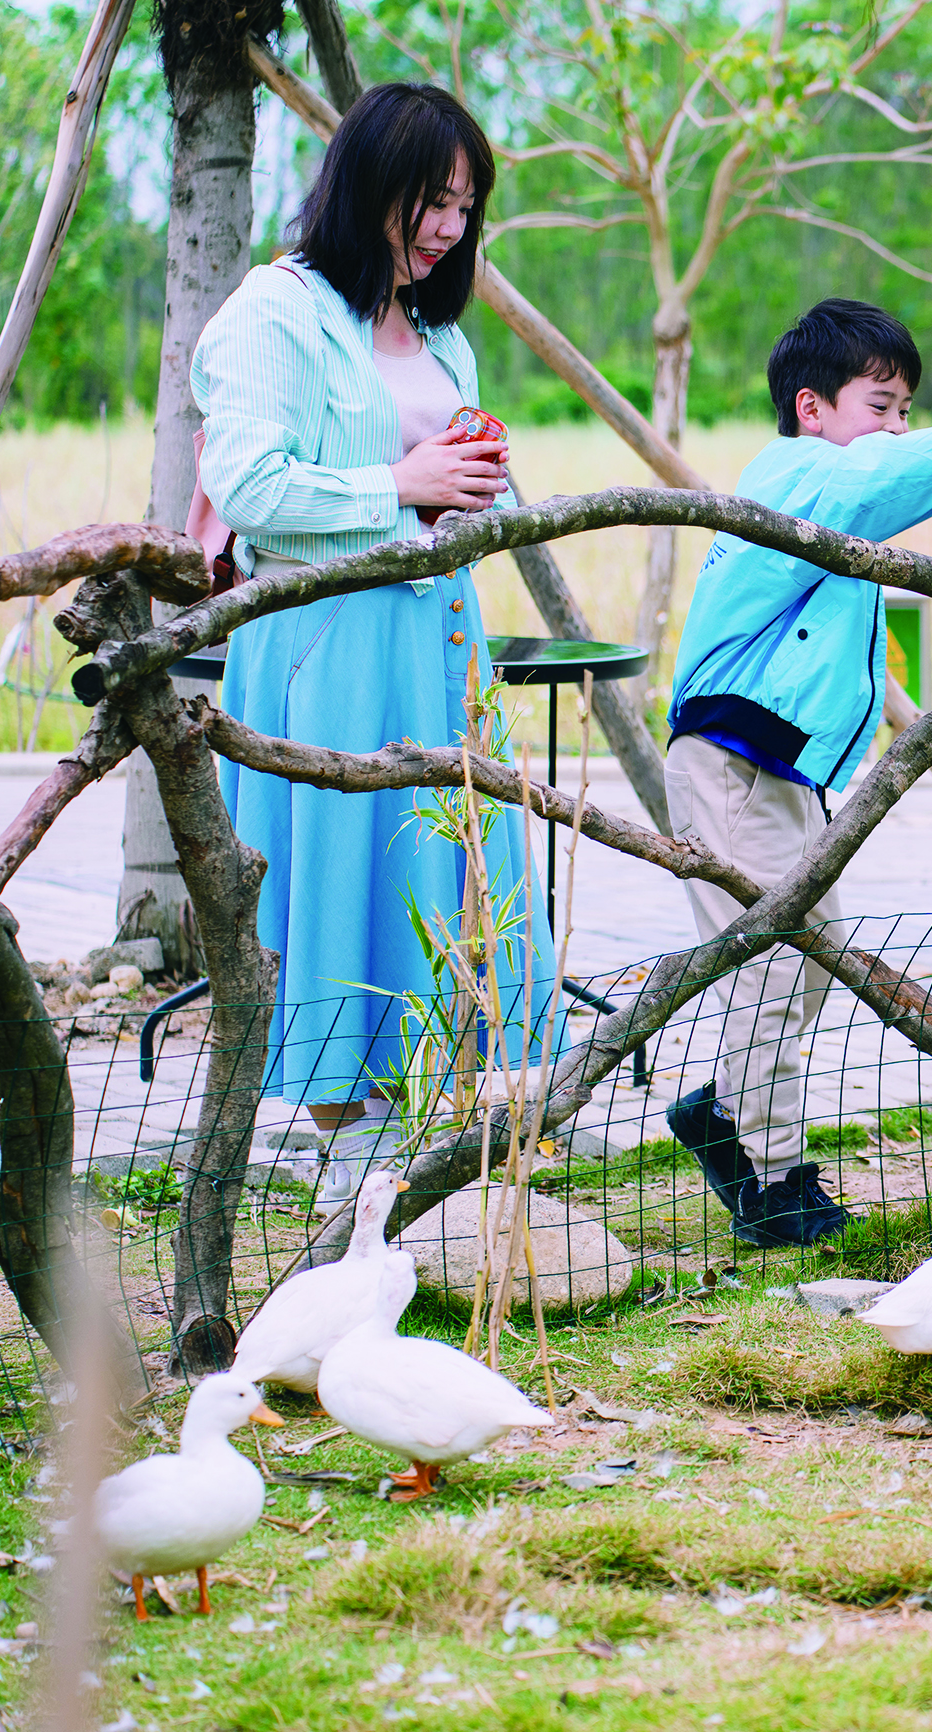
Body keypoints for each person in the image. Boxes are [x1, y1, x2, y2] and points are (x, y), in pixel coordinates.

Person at [663, 298, 932, 1245]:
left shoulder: (840, 483)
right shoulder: (799, 473)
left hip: (777, 764)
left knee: (808, 955)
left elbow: (902, 486)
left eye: (908, 411)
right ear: (812, 407)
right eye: (881, 406)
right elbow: (883, 484)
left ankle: (725, 1118)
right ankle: (768, 1181)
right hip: (734, 757)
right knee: (775, 968)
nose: (897, 429)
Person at [193, 82, 553, 1203]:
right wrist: (401, 486)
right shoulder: (275, 310)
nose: (447, 226)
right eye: (429, 199)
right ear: (367, 187)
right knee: (340, 869)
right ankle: (346, 1148)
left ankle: (417, 1138)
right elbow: (245, 483)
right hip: (327, 643)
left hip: (439, 638)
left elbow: (449, 489)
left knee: (439, 870)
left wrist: (463, 498)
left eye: (463, 205)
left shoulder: (441, 333)